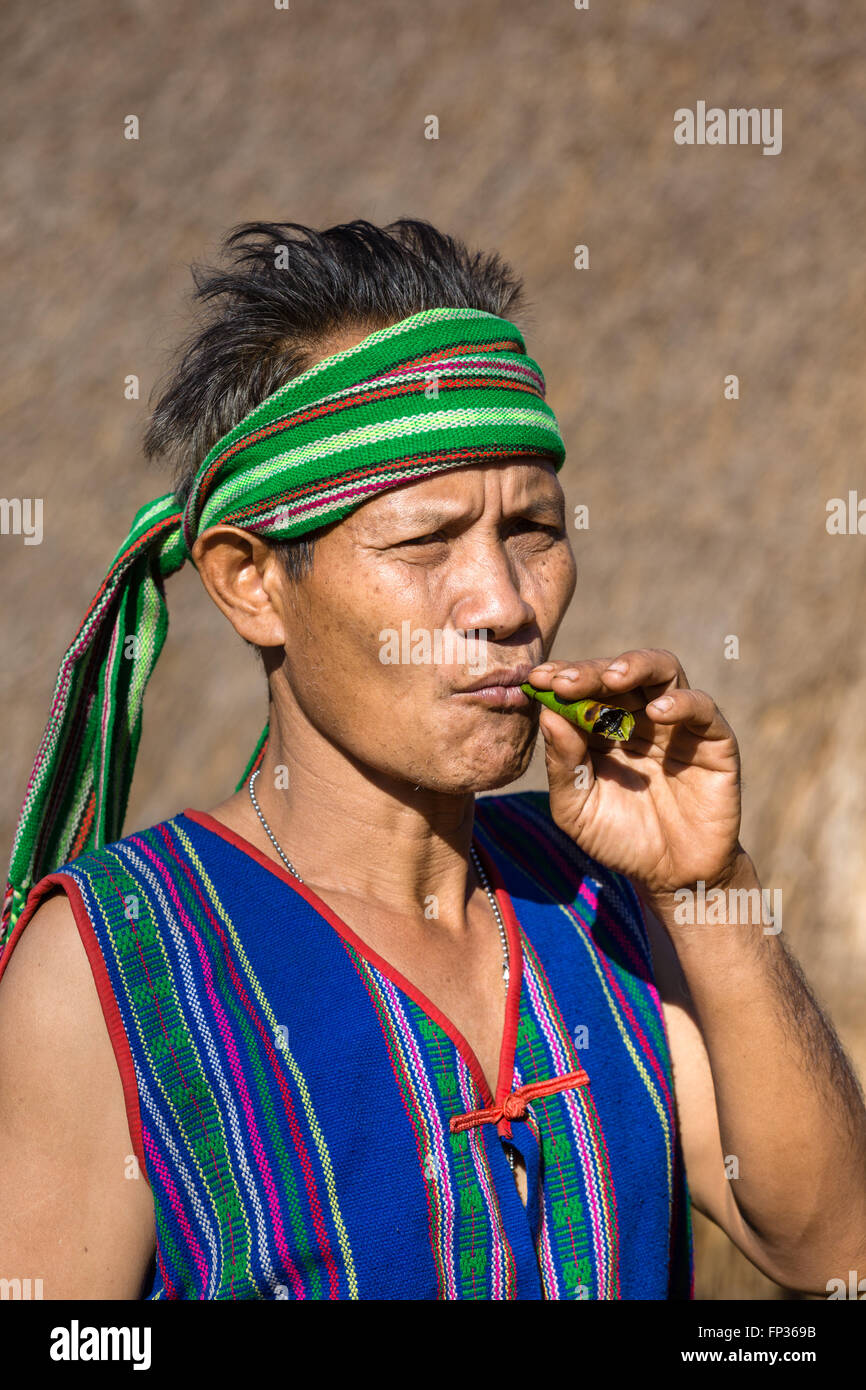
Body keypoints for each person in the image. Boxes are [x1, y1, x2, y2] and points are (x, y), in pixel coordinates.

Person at [1, 219, 864, 1301]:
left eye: (533, 531)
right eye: (423, 542)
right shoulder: (118, 965)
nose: (504, 604)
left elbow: (833, 1259)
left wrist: (708, 885)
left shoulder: (591, 900)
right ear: (249, 582)